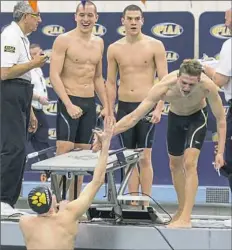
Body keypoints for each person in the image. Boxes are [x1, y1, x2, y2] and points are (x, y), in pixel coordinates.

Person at [94, 59, 226, 228]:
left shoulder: (207, 87)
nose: (186, 88)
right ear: (178, 77)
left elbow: (221, 120)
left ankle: (186, 217)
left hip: (197, 117)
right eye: (184, 83)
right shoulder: (163, 87)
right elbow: (134, 117)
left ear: (198, 80)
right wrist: (107, 134)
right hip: (175, 117)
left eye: (191, 85)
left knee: (190, 163)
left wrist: (220, 152)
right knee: (174, 165)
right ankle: (180, 209)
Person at [19, 117, 114, 250]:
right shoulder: (67, 217)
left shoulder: (25, 223)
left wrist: (60, 209)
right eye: (52, 194)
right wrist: (106, 144)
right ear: (51, 205)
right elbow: (97, 181)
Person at [105, 4, 168, 206]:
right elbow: (110, 82)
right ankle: (133, 201)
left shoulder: (155, 45)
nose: (133, 22)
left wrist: (159, 108)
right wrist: (109, 109)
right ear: (122, 21)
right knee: (128, 157)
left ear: (142, 21)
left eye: (136, 18)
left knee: (145, 157)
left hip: (146, 107)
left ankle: (146, 202)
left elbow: (164, 79)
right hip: (124, 106)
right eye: (129, 18)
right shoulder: (114, 48)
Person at [50, 0, 108, 200]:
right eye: (81, 15)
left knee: (82, 156)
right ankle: (56, 202)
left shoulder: (99, 42)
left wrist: (107, 106)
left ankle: (74, 204)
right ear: (75, 16)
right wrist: (68, 104)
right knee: (64, 151)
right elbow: (54, 75)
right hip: (70, 101)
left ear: (96, 18)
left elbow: (98, 77)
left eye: (89, 15)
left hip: (89, 102)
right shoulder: (63, 40)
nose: (85, 19)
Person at [0, 1, 48, 216]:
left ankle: (8, 202)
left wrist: (29, 112)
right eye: (36, 16)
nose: (39, 20)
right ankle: (2, 200)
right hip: (9, 93)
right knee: (13, 148)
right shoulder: (11, 35)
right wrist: (34, 64)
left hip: (20, 96)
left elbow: (22, 78)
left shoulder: (23, 39)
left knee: (19, 150)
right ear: (26, 15)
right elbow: (5, 72)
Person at [203, 8, 232, 227]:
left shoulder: (229, 45)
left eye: (227, 18)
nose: (225, 22)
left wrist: (205, 67)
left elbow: (220, 81)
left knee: (230, 162)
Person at [29, 43, 50, 161]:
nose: (40, 56)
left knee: (41, 140)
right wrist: (39, 98)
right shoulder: (27, 71)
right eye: (36, 54)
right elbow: (24, 91)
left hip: (39, 109)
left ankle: (47, 170)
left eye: (41, 53)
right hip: (30, 109)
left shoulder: (38, 69)